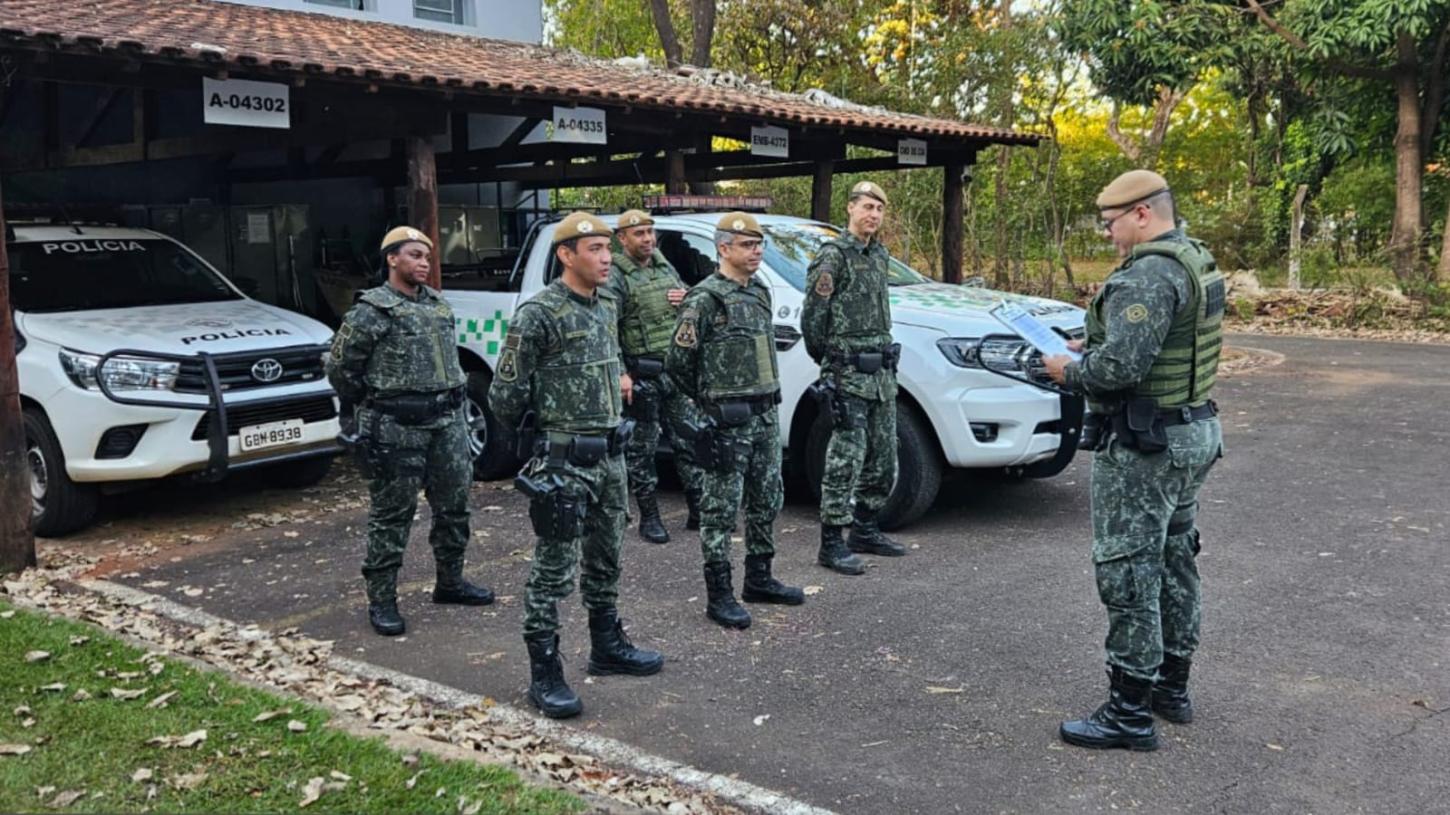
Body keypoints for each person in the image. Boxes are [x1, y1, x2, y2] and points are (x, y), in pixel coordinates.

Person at [1042, 170, 1225, 751]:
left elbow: (1119, 371)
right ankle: (1172, 688)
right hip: (1191, 434)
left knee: (1128, 571)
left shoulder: (1148, 273)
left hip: (1146, 449)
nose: (1110, 235)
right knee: (1175, 560)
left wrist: (1066, 369)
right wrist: (1094, 346)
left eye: (1112, 223)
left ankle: (1129, 713)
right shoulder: (1193, 258)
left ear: (1142, 214)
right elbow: (1160, 344)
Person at [489, 212, 663, 719]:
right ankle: (544, 672)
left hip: (611, 456)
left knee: (607, 557)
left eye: (609, 249)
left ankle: (607, 647)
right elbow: (505, 395)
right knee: (553, 568)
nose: (607, 258)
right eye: (594, 250)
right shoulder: (538, 314)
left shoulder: (607, 303)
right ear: (566, 255)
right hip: (566, 461)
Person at [326, 226, 494, 638]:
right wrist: (375, 405)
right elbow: (340, 369)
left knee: (454, 506)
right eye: (415, 255)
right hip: (397, 427)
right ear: (392, 259)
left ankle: (450, 582)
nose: (424, 263)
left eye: (427, 257)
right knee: (392, 515)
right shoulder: (372, 309)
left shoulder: (437, 304)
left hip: (448, 422)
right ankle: (382, 599)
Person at [666, 212, 804, 630]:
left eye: (759, 244)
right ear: (723, 248)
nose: (756, 250)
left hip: (764, 415)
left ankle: (759, 578)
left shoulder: (759, 291)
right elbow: (678, 362)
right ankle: (719, 593)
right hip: (727, 420)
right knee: (721, 508)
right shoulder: (705, 299)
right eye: (747, 244)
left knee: (768, 498)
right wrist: (710, 403)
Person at [802, 180, 906, 576]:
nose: (873, 216)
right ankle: (831, 542)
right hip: (847, 373)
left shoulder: (879, 254)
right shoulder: (833, 256)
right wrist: (830, 360)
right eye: (867, 207)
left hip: (881, 372)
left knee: (883, 457)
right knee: (845, 458)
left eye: (879, 209)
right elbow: (813, 317)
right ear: (850, 209)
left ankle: (865, 528)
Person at [603, 209, 705, 543]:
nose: (647, 239)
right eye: (639, 233)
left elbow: (684, 295)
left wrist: (686, 297)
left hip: (673, 372)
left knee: (689, 439)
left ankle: (697, 510)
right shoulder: (616, 276)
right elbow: (607, 328)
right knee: (642, 450)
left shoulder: (663, 265)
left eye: (650, 232)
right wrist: (620, 373)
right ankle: (650, 517)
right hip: (641, 375)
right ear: (623, 239)